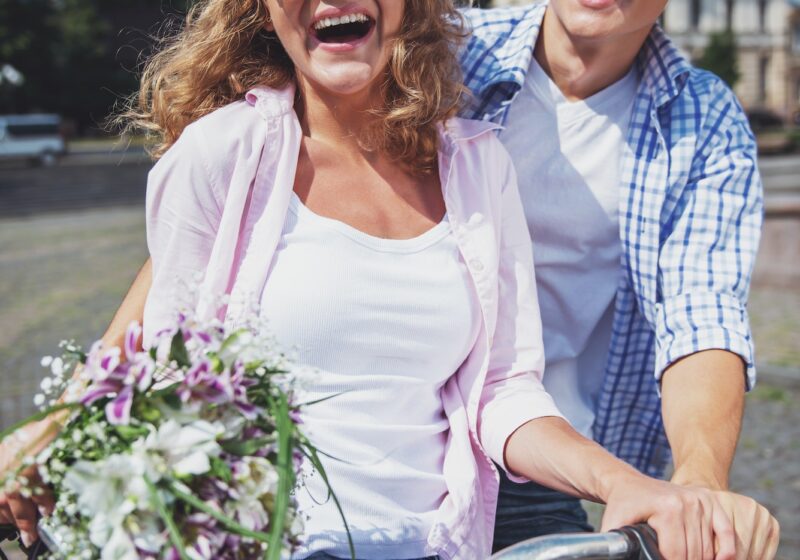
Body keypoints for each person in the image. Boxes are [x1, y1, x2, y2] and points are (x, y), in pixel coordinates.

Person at [0, 0, 746, 558]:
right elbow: (176, 317)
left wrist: (671, 483)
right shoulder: (234, 149)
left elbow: (688, 320)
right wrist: (61, 419)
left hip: (496, 485)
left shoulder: (484, 159)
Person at [458, 2, 780, 557]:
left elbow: (701, 310)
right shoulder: (446, 54)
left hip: (538, 457)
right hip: (404, 434)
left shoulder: (701, 119)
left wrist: (699, 480)